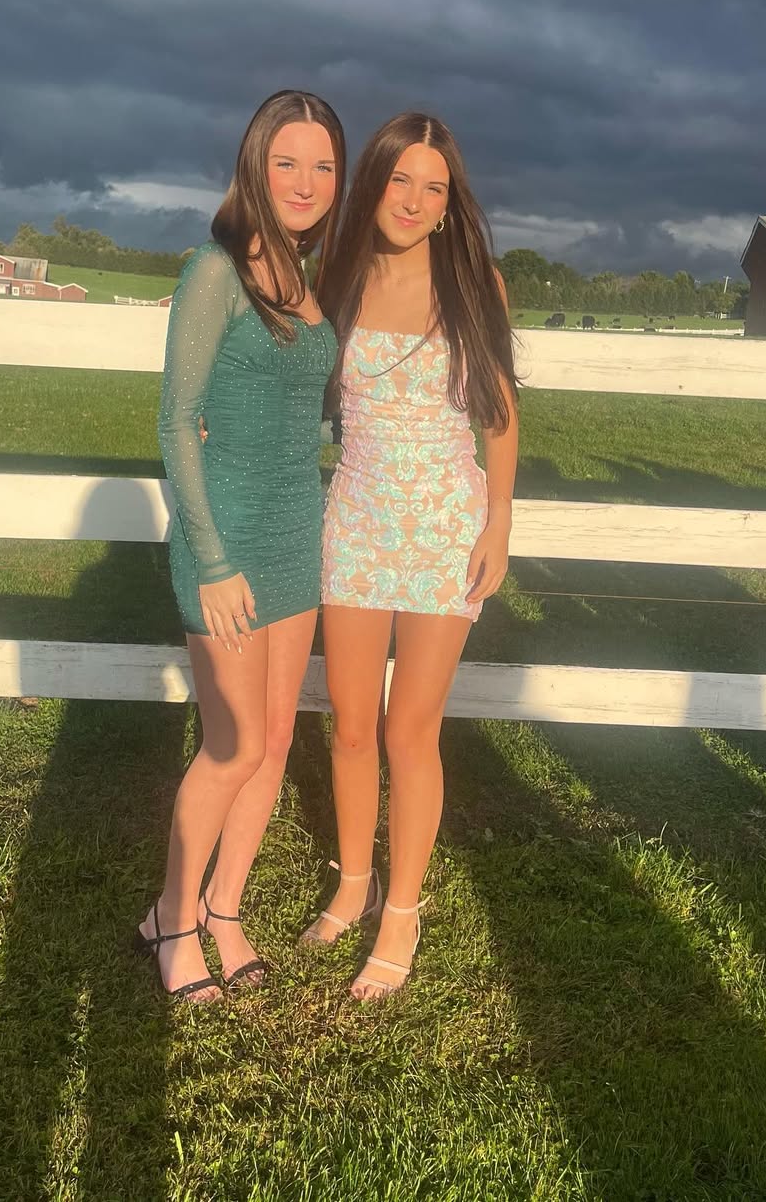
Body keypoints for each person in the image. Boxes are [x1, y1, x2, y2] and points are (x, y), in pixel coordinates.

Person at [136, 90, 345, 1002]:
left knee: (274, 740)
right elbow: (176, 420)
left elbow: (302, 406)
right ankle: (173, 920)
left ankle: (225, 908)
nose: (305, 182)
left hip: (298, 531)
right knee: (231, 744)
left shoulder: (308, 276)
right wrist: (213, 561)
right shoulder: (213, 270)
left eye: (324, 166)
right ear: (254, 166)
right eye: (286, 161)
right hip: (224, 537)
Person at [304, 112, 518, 998]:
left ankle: (402, 911)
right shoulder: (338, 276)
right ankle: (353, 884)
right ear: (375, 184)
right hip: (356, 519)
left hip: (442, 530)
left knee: (408, 730)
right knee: (352, 724)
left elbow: (498, 413)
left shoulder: (474, 282)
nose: (415, 200)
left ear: (449, 203)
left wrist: (498, 522)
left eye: (435, 187)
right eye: (401, 180)